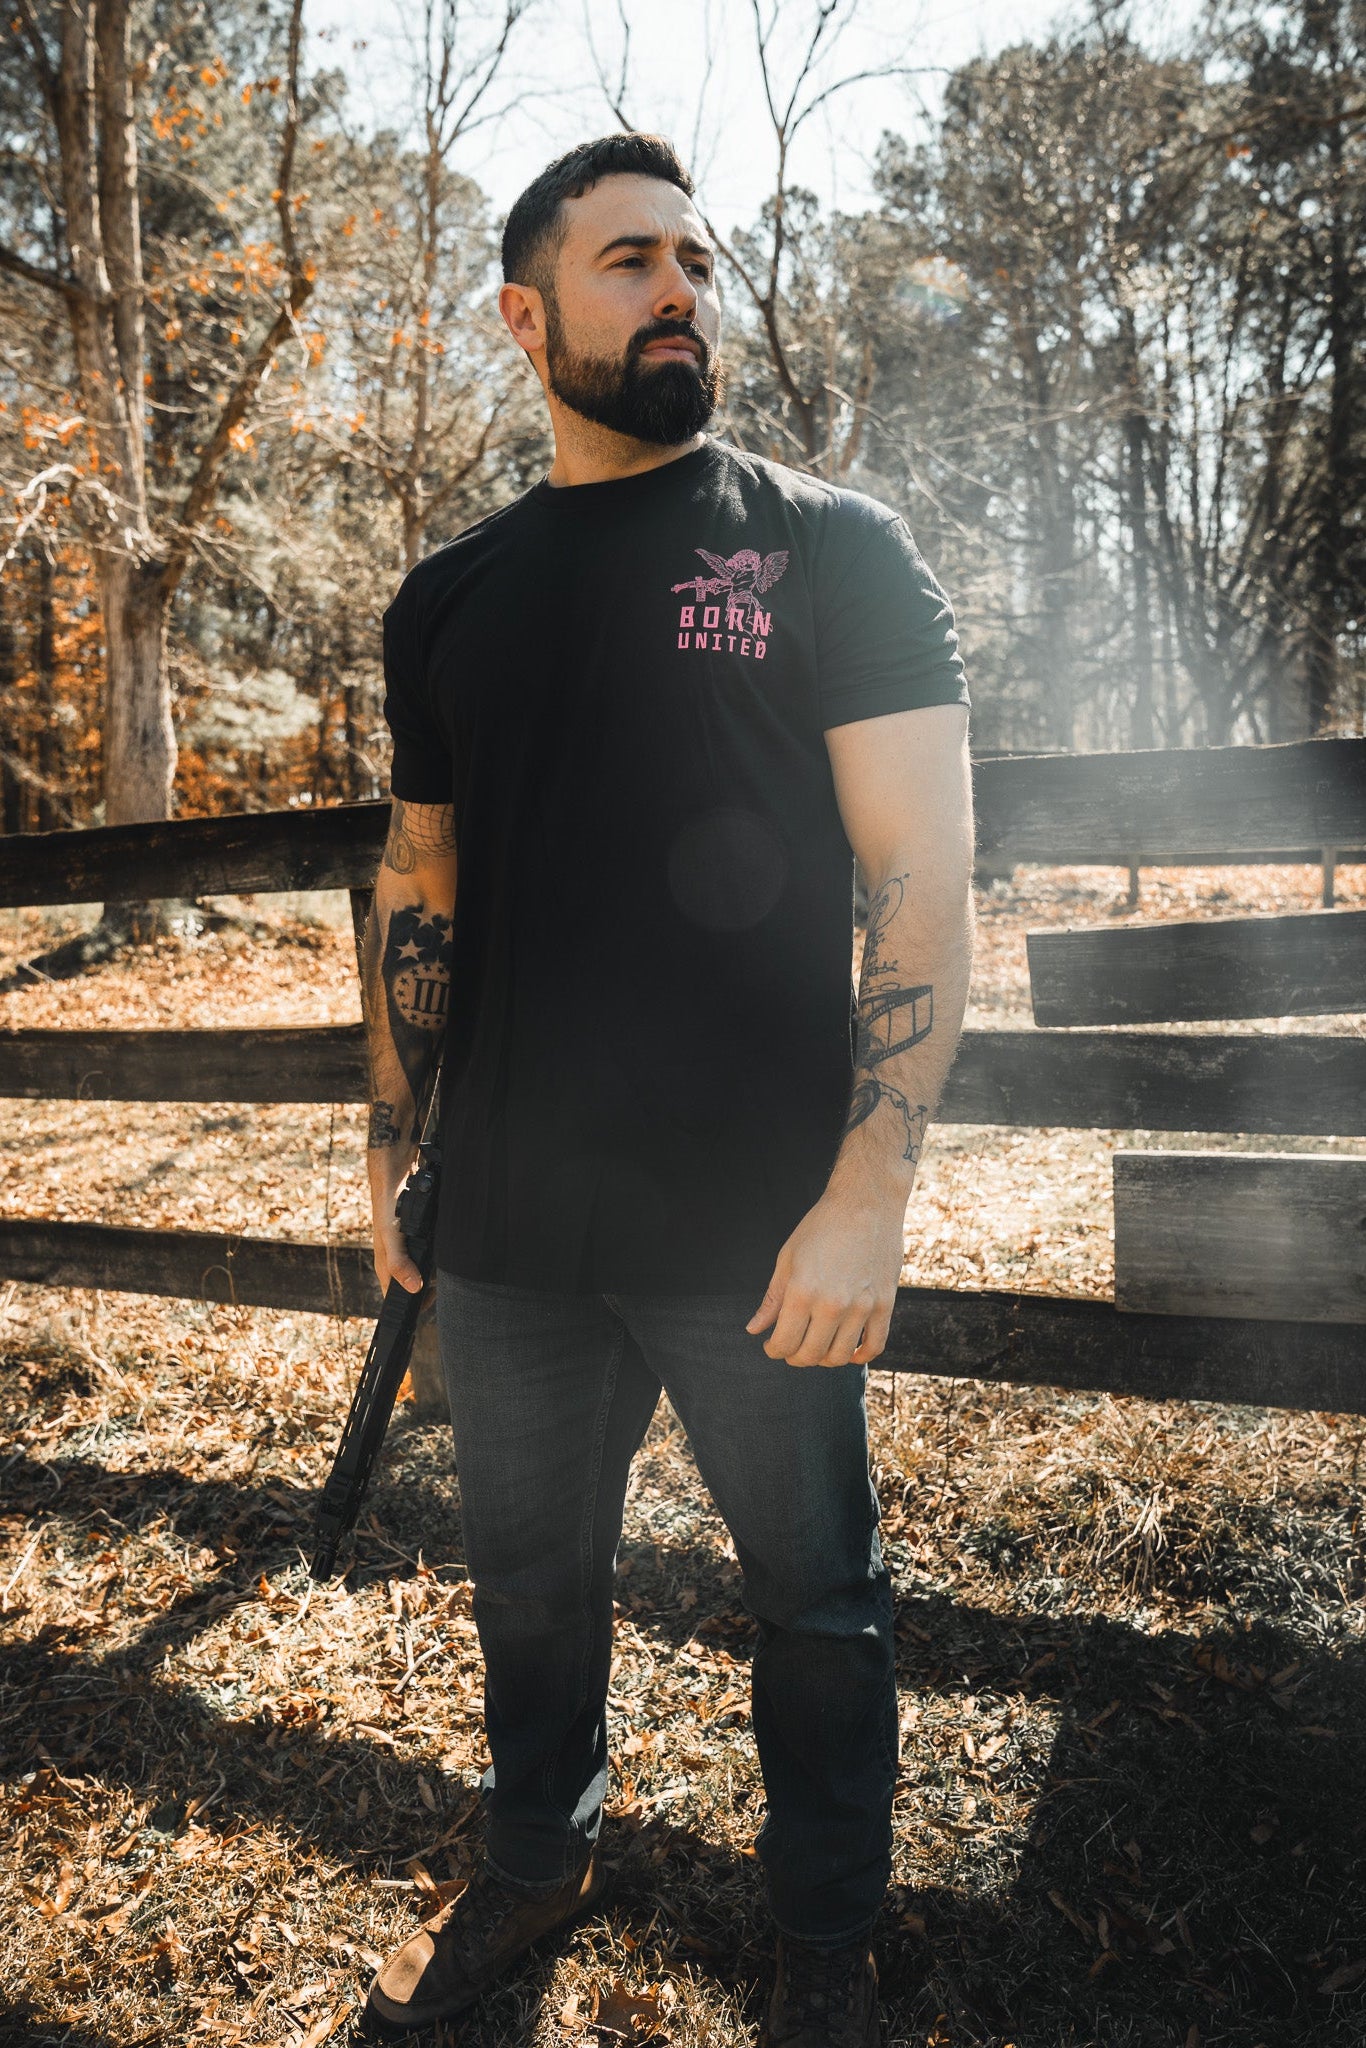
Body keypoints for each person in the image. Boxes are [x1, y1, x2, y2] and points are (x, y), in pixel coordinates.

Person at [360, 133, 974, 2048]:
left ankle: (819, 1936)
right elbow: (418, 879)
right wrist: (393, 1152)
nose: (681, 290)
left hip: (754, 1221)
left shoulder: (824, 547)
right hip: (516, 1223)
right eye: (630, 261)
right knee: (528, 1583)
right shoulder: (447, 598)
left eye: (696, 259)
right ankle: (536, 1858)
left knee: (818, 1604)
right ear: (525, 315)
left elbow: (925, 875)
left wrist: (868, 1188)